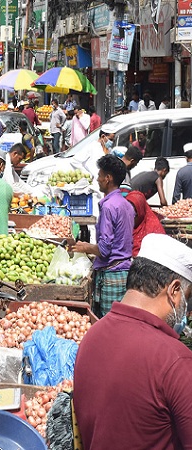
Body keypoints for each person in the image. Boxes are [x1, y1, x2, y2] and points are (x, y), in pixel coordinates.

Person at [73, 234, 192, 449]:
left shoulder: (92, 336)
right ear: (174, 290)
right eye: (187, 296)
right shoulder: (175, 360)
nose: (187, 307)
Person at [73, 155, 133, 318]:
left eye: (100, 175)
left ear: (108, 178)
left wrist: (85, 247)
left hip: (111, 274)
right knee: (121, 320)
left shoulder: (108, 207)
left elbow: (105, 249)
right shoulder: (126, 205)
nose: (97, 179)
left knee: (108, 322)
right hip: (124, 271)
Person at [125, 191, 166, 257]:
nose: (129, 216)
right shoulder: (123, 224)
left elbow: (159, 255)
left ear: (140, 212)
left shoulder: (154, 228)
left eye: (133, 214)